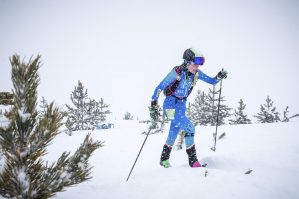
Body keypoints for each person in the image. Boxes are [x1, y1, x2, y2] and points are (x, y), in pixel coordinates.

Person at [149, 48, 227, 168]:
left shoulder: (196, 74)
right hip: (169, 105)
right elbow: (159, 87)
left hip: (181, 105)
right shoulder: (176, 73)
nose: (197, 67)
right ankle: (193, 161)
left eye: (199, 65)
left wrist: (219, 76)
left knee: (174, 131)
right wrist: (153, 104)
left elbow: (212, 81)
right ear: (187, 62)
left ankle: (164, 160)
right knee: (190, 128)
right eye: (195, 64)